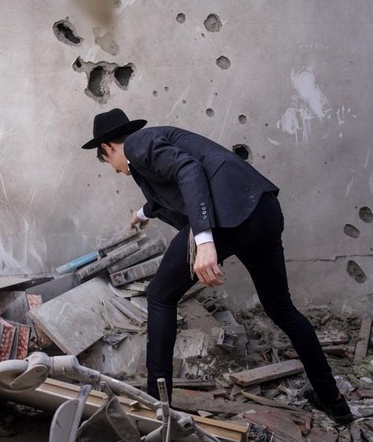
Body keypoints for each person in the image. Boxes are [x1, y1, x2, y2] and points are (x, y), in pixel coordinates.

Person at [81, 108, 354, 424]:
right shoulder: (153, 147)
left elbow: (188, 171)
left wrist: (205, 242)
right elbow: (170, 182)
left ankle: (157, 408)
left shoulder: (138, 143)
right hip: (261, 210)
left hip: (228, 220)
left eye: (110, 165)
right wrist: (143, 213)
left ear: (108, 148)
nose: (116, 171)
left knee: (159, 296)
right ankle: (334, 400)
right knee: (282, 309)